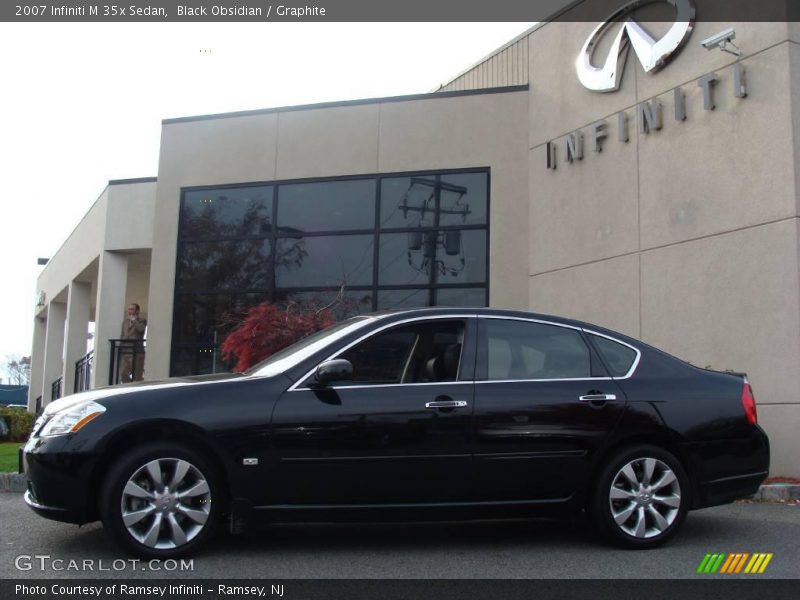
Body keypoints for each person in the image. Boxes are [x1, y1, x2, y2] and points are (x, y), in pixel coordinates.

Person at [119, 303, 147, 383]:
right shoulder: (125, 322)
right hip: (126, 352)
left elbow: (141, 329)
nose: (130, 311)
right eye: (129, 309)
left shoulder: (142, 321)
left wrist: (134, 321)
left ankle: (136, 389)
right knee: (123, 373)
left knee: (137, 375)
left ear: (137, 311)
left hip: (137, 352)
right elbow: (122, 335)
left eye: (132, 309)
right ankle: (127, 388)